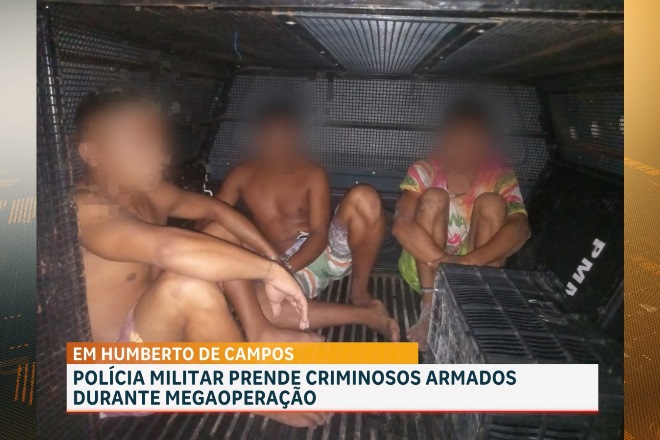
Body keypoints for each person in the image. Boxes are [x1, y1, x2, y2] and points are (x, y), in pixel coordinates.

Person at [74, 89, 329, 427]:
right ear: (93, 154)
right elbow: (169, 249)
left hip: (165, 341)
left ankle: (261, 331)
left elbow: (218, 211)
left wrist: (275, 261)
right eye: (141, 144)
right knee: (186, 287)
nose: (161, 155)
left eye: (159, 143)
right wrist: (270, 272)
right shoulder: (83, 208)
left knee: (219, 235)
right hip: (114, 378)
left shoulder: (151, 194)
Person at [213, 103, 400, 341]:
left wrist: (283, 269)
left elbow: (319, 235)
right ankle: (367, 315)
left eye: (285, 139)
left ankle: (359, 292)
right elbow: (211, 219)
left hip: (321, 254)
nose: (278, 147)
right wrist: (244, 245)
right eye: (270, 139)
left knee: (365, 197)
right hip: (278, 263)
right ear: (258, 140)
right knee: (258, 309)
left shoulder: (313, 173)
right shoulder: (241, 175)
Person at [392, 100, 530, 351]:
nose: (466, 148)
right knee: (433, 197)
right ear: (444, 140)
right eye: (458, 139)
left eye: (474, 140)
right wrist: (446, 264)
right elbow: (401, 225)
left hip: (472, 268)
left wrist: (467, 262)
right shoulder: (425, 169)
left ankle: (476, 301)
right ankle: (429, 305)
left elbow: (521, 229)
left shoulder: (500, 176)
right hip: (424, 266)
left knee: (492, 203)